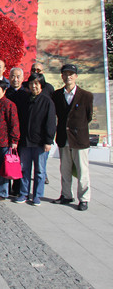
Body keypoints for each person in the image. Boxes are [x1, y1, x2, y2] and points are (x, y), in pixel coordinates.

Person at [51, 64, 93, 211]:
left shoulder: (86, 96)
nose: (68, 77)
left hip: (79, 139)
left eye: (71, 74)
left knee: (82, 170)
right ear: (62, 76)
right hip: (64, 137)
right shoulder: (57, 95)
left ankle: (84, 198)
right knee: (65, 169)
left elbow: (88, 116)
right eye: (65, 74)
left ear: (76, 76)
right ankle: (66, 195)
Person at [16, 73, 56, 206]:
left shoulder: (47, 101)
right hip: (25, 141)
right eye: (31, 83)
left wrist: (48, 141)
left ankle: (37, 195)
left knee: (40, 171)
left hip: (40, 142)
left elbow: (51, 122)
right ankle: (24, 193)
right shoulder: (25, 100)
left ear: (41, 85)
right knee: (24, 169)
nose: (33, 86)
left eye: (36, 84)